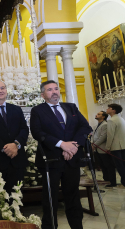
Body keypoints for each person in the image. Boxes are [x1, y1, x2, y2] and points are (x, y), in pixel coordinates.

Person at [30, 80, 92, 229]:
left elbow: (85, 127)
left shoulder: (71, 107)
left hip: (72, 160)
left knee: (73, 196)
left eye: (56, 89)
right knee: (50, 198)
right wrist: (62, 144)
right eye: (50, 89)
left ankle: (77, 226)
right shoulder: (38, 110)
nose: (54, 92)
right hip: (51, 161)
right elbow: (37, 132)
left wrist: (74, 146)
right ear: (43, 94)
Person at [92, 111, 116, 188]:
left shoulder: (105, 124)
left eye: (98, 114)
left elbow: (103, 137)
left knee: (108, 165)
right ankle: (106, 179)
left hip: (103, 148)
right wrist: (92, 143)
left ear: (103, 117)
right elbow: (93, 135)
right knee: (102, 165)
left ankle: (112, 182)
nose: (96, 115)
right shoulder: (96, 125)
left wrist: (95, 145)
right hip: (97, 149)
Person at [106, 103, 125, 187]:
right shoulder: (121, 119)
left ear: (113, 110)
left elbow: (110, 135)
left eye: (109, 108)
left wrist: (107, 147)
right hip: (123, 145)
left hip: (116, 147)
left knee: (120, 166)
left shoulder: (111, 120)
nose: (107, 109)